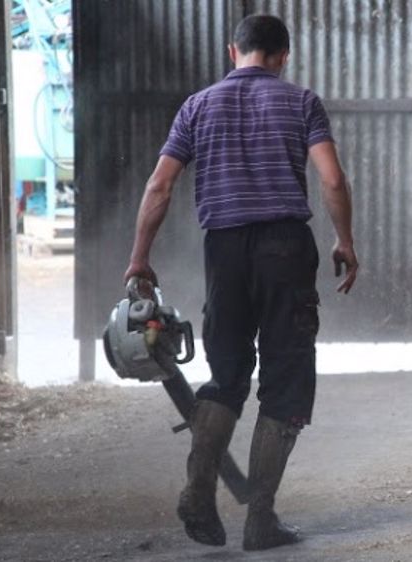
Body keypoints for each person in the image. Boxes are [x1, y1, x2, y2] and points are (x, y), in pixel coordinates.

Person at [122, 14, 358, 551]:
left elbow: (160, 185)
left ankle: (198, 489)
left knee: (226, 376)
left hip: (224, 251)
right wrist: (345, 240)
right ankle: (261, 520)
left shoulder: (197, 106)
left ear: (234, 52)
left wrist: (139, 257)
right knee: (286, 379)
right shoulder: (301, 102)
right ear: (283, 55)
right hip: (284, 248)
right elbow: (332, 178)